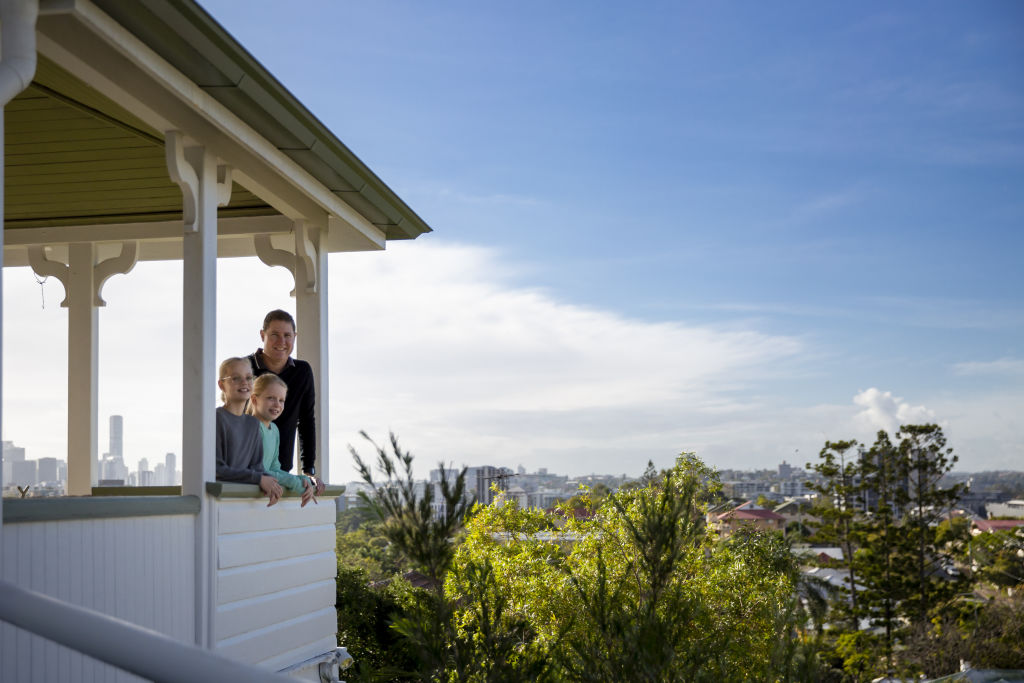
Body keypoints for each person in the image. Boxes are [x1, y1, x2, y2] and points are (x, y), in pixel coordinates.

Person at [248, 310, 325, 495]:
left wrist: (308, 471)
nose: (281, 342)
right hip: (248, 472)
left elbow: (306, 421)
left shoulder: (302, 371)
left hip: (282, 472)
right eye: (274, 335)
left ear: (295, 337)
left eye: (287, 336)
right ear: (262, 335)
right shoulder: (245, 368)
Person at [216, 356, 283, 506]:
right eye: (236, 378)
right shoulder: (216, 419)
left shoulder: (253, 424)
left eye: (248, 377)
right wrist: (259, 479)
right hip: (220, 503)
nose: (244, 382)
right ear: (221, 385)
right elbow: (217, 470)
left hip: (245, 503)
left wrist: (273, 484)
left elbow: (257, 467)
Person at [248, 373, 318, 507]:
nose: (277, 404)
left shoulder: (274, 430)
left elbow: (274, 468)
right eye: (271, 398)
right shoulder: (252, 427)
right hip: (252, 500)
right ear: (255, 400)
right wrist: (293, 482)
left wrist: (302, 479)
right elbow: (258, 469)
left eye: (281, 400)